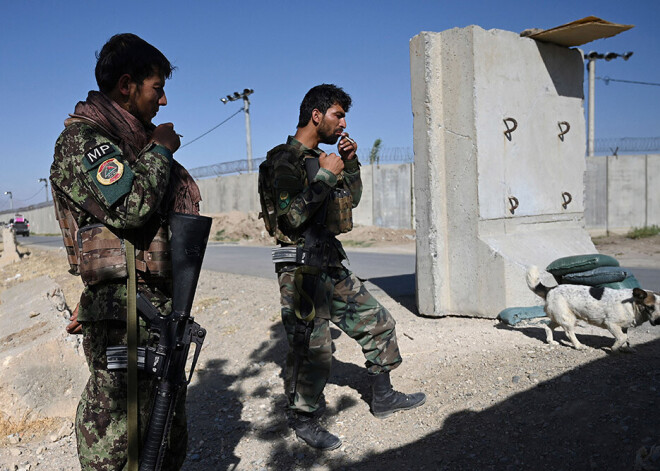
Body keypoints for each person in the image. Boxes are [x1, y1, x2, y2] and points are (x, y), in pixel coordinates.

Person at [50, 33, 201, 470]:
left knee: (164, 433)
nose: (165, 100)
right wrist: (160, 149)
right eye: (158, 88)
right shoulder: (83, 143)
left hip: (153, 310)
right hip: (125, 317)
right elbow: (132, 207)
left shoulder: (127, 142)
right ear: (127, 84)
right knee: (118, 440)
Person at [264, 84, 426, 451]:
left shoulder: (326, 158)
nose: (344, 122)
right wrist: (324, 176)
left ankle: (383, 398)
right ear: (316, 115)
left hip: (329, 261)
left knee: (378, 320)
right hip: (300, 271)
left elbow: (350, 200)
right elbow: (289, 220)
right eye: (338, 115)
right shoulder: (282, 161)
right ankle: (303, 419)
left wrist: (347, 165)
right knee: (313, 349)